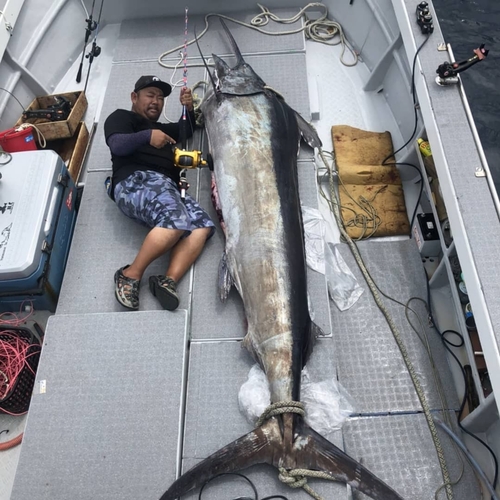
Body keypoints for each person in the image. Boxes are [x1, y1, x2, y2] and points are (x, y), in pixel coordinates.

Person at [104, 75, 215, 311]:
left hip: (168, 188)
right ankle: (130, 274)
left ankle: (167, 280)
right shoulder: (121, 117)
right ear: (134, 97)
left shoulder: (163, 129)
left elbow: (185, 129)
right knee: (176, 220)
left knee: (202, 226)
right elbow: (117, 145)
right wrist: (147, 136)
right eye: (150, 95)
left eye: (161, 97)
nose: (156, 101)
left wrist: (187, 107)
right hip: (135, 181)